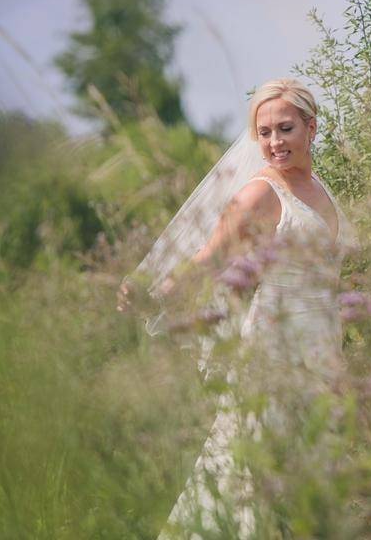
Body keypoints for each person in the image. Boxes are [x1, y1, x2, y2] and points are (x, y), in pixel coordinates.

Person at [121, 78, 358, 539]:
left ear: (311, 128)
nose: (273, 142)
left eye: (285, 129)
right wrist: (156, 292)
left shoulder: (319, 187)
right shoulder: (262, 193)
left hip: (322, 354)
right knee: (257, 481)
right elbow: (211, 257)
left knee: (313, 486)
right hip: (275, 354)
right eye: (264, 132)